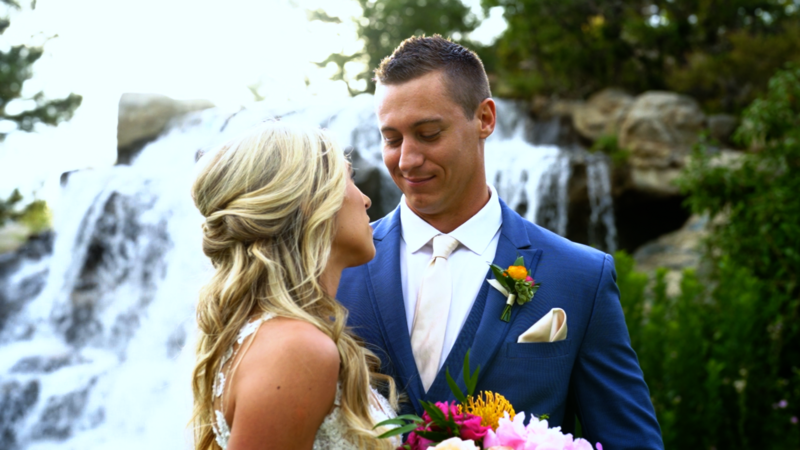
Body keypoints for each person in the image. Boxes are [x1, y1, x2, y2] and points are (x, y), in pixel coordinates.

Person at [337, 35, 664, 449]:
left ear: (485, 119)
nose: (407, 160)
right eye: (392, 138)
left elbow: (629, 441)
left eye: (428, 133)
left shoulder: (582, 278)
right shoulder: (335, 267)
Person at [190, 122, 398, 450]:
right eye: (350, 179)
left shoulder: (272, 334)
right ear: (310, 200)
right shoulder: (296, 349)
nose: (366, 200)